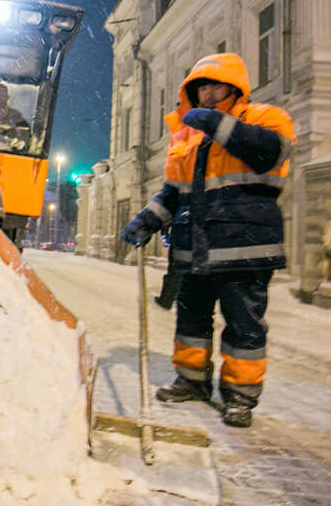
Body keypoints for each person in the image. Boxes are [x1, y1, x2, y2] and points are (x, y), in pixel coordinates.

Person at [120, 52, 295, 428]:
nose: (208, 94)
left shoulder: (265, 118)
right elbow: (175, 192)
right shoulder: (186, 135)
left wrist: (219, 125)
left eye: (216, 86)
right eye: (201, 88)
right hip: (192, 248)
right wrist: (146, 221)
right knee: (191, 319)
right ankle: (191, 380)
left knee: (243, 324)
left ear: (234, 88)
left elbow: (269, 153)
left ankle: (240, 396)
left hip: (244, 245)